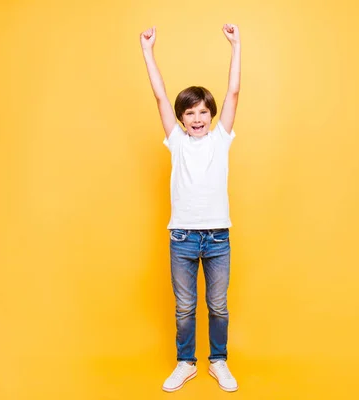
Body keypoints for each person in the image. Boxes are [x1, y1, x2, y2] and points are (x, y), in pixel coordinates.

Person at [140, 24, 241, 392]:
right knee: (184, 309)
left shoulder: (221, 140)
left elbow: (233, 92)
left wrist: (236, 45)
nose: (197, 118)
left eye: (202, 112)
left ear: (211, 114)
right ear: (181, 119)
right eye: (190, 113)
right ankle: (186, 362)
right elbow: (160, 97)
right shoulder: (176, 142)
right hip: (181, 237)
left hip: (217, 238)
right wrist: (148, 52)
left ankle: (219, 361)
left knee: (218, 307)